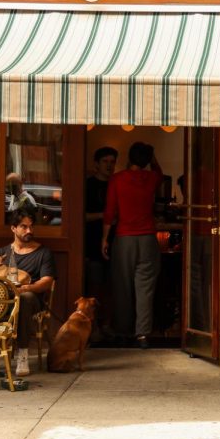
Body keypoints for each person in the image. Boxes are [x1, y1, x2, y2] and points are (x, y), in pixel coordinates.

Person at [102, 141, 162, 349]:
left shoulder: (117, 179)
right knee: (145, 288)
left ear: (128, 158)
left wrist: (104, 238)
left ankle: (122, 331)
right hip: (147, 238)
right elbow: (159, 171)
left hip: (124, 237)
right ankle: (142, 335)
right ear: (147, 160)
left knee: (122, 286)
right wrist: (151, 159)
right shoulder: (152, 178)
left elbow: (110, 212)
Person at [0, 207, 55, 377]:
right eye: (24, 227)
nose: (29, 231)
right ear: (13, 228)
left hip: (32, 299)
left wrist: (27, 287)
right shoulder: (1, 254)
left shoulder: (43, 252)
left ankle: (23, 354)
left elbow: (47, 281)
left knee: (24, 298)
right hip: (4, 300)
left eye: (31, 226)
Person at [84, 146, 117, 343]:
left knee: (112, 287)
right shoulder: (88, 185)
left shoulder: (117, 184)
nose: (109, 166)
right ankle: (93, 328)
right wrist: (105, 217)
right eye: (105, 161)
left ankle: (108, 326)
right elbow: (81, 216)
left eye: (112, 162)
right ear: (96, 164)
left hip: (116, 243)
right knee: (94, 288)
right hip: (91, 244)